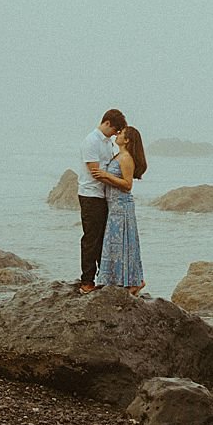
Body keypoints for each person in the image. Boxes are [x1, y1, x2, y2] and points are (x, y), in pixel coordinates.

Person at [93, 125, 147, 295]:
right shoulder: (118, 155)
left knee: (124, 243)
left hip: (122, 206)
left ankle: (136, 282)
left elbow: (127, 185)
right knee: (115, 244)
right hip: (114, 205)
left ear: (127, 140)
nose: (118, 135)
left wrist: (106, 175)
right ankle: (119, 280)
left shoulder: (126, 158)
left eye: (121, 133)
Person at [78, 108, 126, 293]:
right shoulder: (91, 141)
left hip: (104, 195)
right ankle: (86, 281)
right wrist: (121, 183)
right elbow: (96, 173)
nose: (116, 134)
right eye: (115, 129)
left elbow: (108, 169)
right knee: (91, 238)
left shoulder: (108, 142)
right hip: (91, 195)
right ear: (107, 123)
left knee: (103, 239)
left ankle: (103, 276)